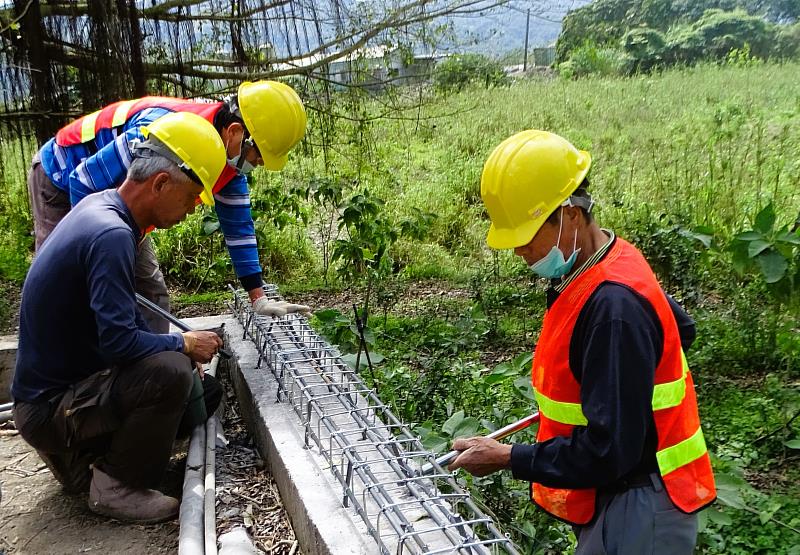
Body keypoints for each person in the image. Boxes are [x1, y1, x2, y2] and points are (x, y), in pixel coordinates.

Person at [449, 130, 716, 554]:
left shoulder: (613, 308)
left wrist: (506, 457)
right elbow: (680, 329)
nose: (519, 249)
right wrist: (613, 390)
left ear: (570, 215)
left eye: (527, 234)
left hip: (640, 504)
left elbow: (609, 450)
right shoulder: (609, 257)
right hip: (623, 495)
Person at [12, 112, 227, 524]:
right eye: (192, 197)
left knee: (203, 393)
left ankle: (81, 464)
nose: (191, 209)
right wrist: (181, 344)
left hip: (66, 393)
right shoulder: (111, 235)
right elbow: (119, 343)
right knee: (172, 372)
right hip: (50, 408)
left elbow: (118, 322)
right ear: (161, 183)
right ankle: (117, 486)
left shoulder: (103, 208)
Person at [27, 80, 310, 332]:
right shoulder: (158, 132)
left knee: (150, 290)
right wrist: (99, 255)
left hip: (123, 202)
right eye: (259, 155)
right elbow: (84, 182)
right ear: (235, 132)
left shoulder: (229, 165)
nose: (259, 164)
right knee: (70, 285)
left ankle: (154, 367)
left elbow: (240, 231)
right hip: (62, 178)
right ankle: (70, 378)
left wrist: (258, 298)